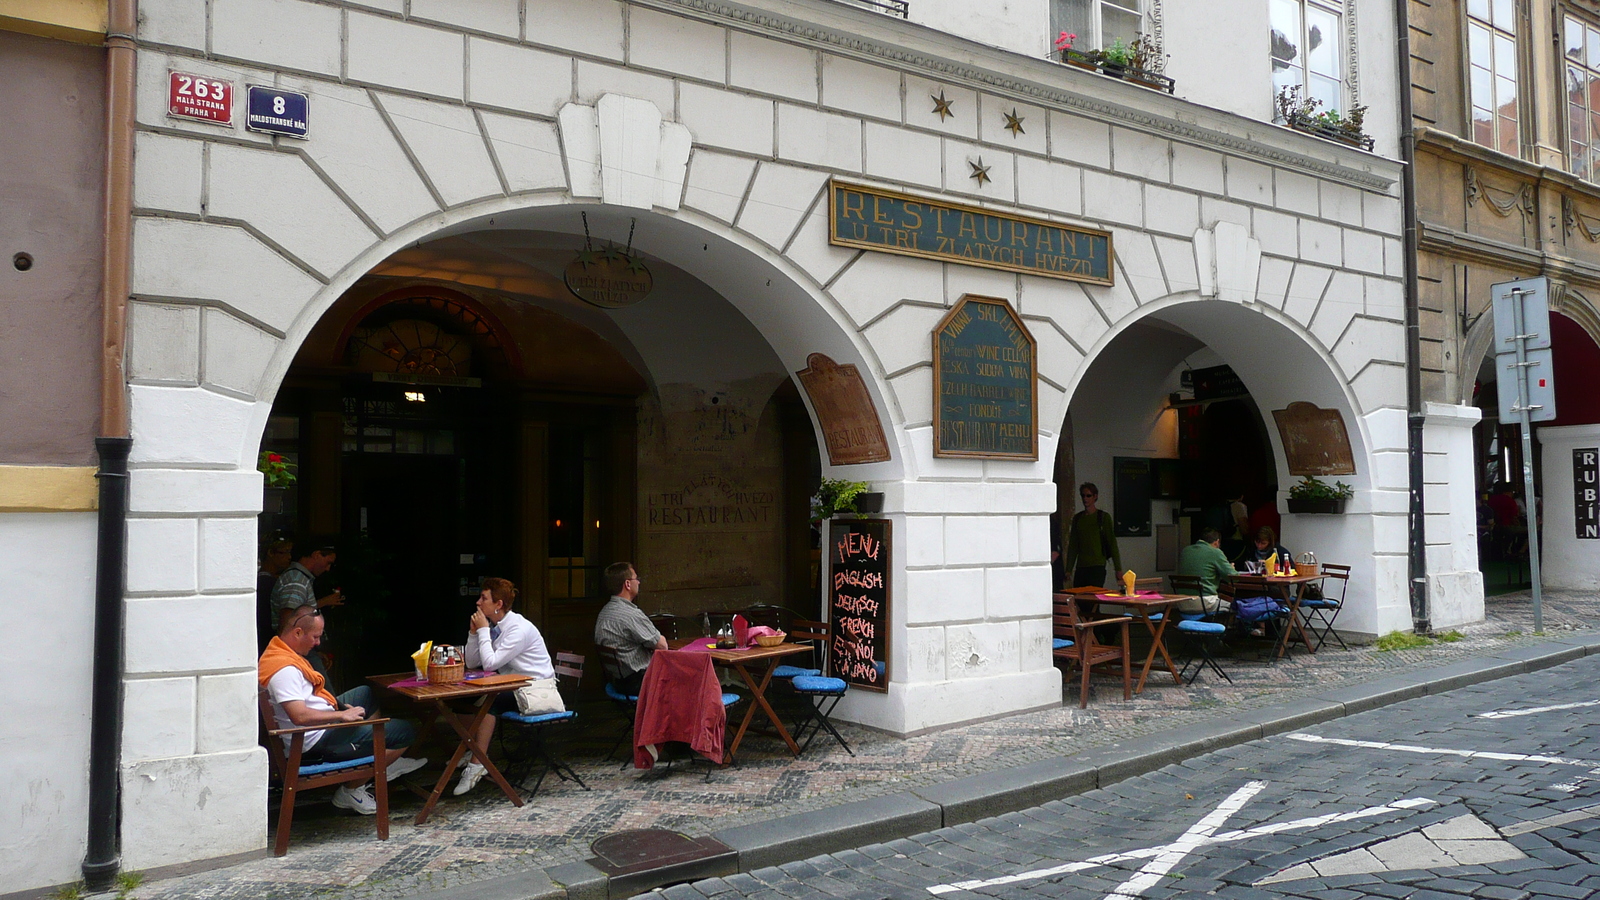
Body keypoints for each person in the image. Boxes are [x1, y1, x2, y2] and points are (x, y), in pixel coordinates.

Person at [259, 606, 426, 815]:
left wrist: (338, 707)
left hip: (321, 725)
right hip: (314, 740)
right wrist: (341, 715)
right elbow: (299, 716)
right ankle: (352, 789)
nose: (318, 642)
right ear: (298, 633)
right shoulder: (284, 670)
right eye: (315, 637)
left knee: (365, 694)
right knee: (406, 731)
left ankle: (378, 759)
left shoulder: (282, 651)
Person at [453, 577, 554, 796]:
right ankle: (473, 747)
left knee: (491, 703)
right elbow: (472, 663)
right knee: (461, 700)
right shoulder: (495, 626)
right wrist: (473, 633)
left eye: (484, 598)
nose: (478, 603)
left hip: (536, 690)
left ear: (498, 604)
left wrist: (482, 632)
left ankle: (478, 762)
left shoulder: (518, 629)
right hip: (514, 686)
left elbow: (490, 663)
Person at [594, 562, 666, 695]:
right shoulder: (629, 614)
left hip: (618, 682)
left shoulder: (604, 612)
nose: (638, 582)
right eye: (636, 579)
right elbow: (662, 646)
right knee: (691, 676)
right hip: (642, 682)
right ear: (627, 584)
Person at [269, 537, 344, 631]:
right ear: (316, 555)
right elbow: (288, 624)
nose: (327, 569)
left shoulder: (300, 579)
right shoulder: (296, 581)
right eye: (328, 563)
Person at [1063, 482, 1123, 589]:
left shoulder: (1103, 517)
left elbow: (1112, 543)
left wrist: (1118, 569)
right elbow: (1073, 545)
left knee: (1093, 599)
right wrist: (1069, 569)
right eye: (1083, 495)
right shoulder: (1078, 519)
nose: (1085, 499)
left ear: (1095, 497)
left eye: (1088, 495)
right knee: (1080, 599)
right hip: (1082, 566)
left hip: (1097, 565)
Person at [1174, 527, 1238, 615]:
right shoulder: (1215, 552)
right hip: (1205, 603)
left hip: (1182, 603)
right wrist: (1232, 568)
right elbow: (1233, 578)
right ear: (1217, 542)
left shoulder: (1186, 550)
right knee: (1238, 606)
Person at [256, 537, 293, 650]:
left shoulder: (269, 580)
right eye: (284, 552)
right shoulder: (268, 583)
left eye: (289, 552)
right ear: (270, 553)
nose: (289, 557)